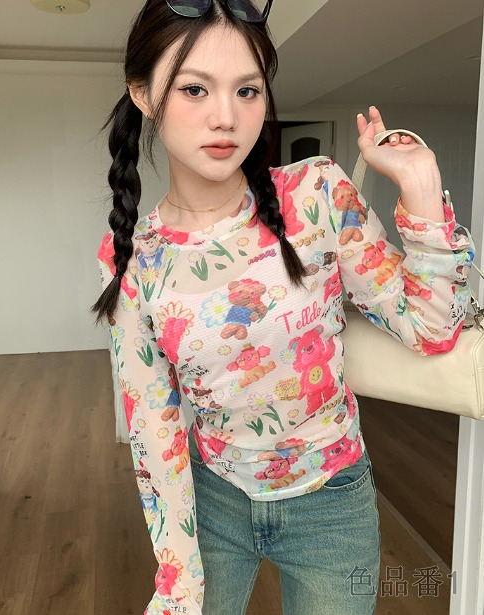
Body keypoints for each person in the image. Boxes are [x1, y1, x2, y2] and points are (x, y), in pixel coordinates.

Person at [92, 1, 475, 614]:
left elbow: (432, 328)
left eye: (247, 90)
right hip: (212, 499)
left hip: (332, 502)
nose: (226, 117)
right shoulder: (132, 257)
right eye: (194, 89)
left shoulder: (318, 194)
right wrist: (177, 575)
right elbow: (152, 427)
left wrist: (422, 186)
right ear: (143, 93)